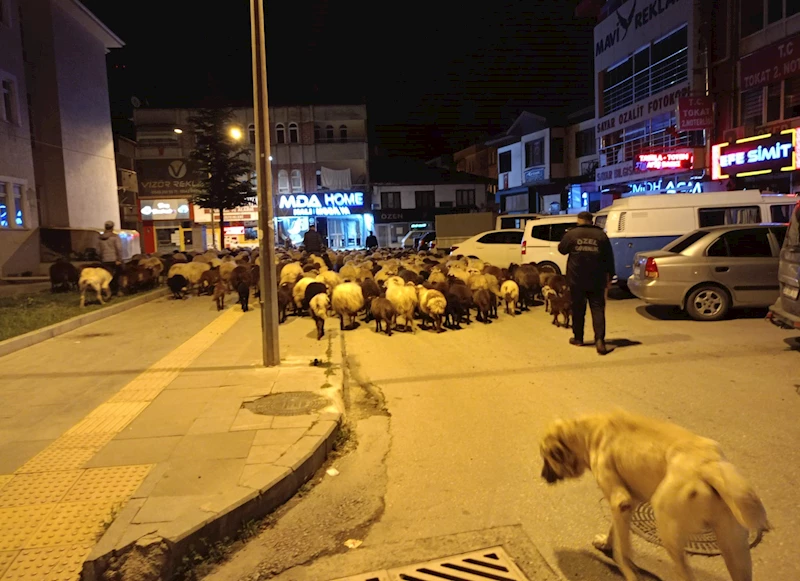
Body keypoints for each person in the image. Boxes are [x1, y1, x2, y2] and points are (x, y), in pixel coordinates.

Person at [558, 211, 615, 355]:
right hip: (597, 279)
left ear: (579, 220)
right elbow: (609, 258)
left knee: (578, 309)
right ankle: (600, 341)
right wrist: (610, 277)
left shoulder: (572, 234)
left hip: (576, 279)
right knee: (598, 309)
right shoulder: (601, 236)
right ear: (591, 221)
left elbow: (562, 250)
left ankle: (578, 338)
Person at [98, 220, 123, 293]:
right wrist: (119, 259)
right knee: (119, 273)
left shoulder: (100, 238)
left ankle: (107, 290)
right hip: (114, 260)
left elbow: (98, 250)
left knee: (106, 275)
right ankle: (118, 290)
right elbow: (119, 248)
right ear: (112, 228)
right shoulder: (115, 237)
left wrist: (101, 259)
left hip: (104, 260)